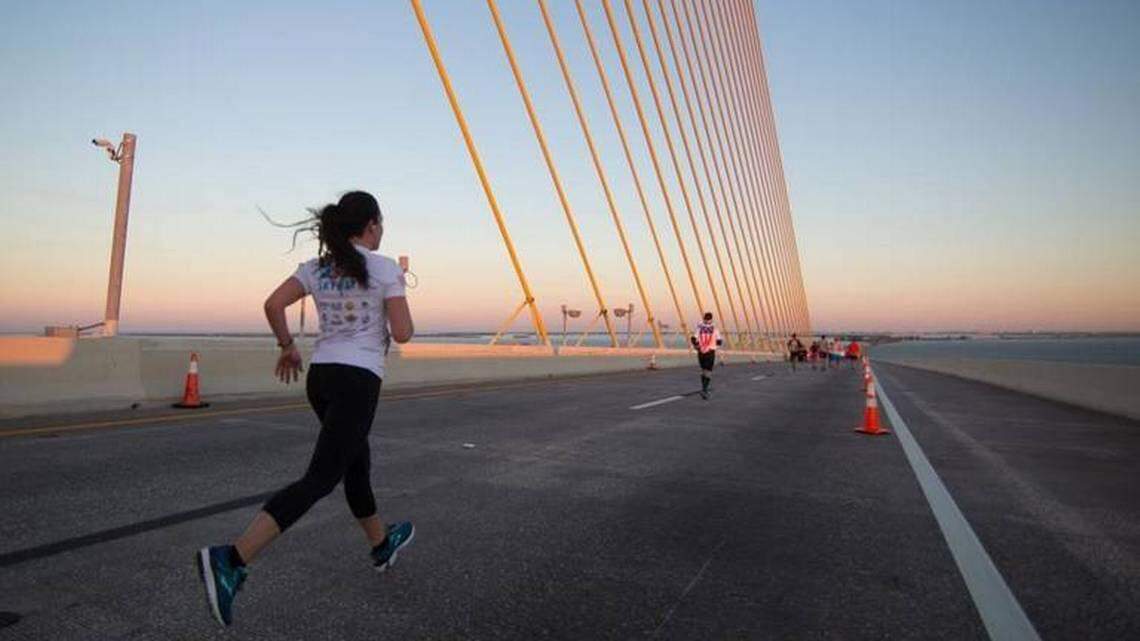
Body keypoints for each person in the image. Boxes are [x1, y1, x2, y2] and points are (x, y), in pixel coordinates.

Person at [196, 191, 415, 627]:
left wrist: (287, 346)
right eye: (381, 223)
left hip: (322, 377)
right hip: (358, 381)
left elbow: (273, 304)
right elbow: (404, 333)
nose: (382, 230)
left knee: (357, 464)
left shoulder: (316, 268)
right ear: (371, 225)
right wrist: (398, 294)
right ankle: (232, 559)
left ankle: (381, 544)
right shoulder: (386, 268)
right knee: (321, 478)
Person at [690, 312, 723, 400]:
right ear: (711, 319)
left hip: (701, 352)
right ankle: (704, 389)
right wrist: (714, 347)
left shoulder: (699, 328)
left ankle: (703, 388)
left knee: (703, 370)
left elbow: (693, 339)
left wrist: (697, 347)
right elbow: (719, 341)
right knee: (708, 371)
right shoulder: (715, 329)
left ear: (704, 318)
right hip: (710, 352)